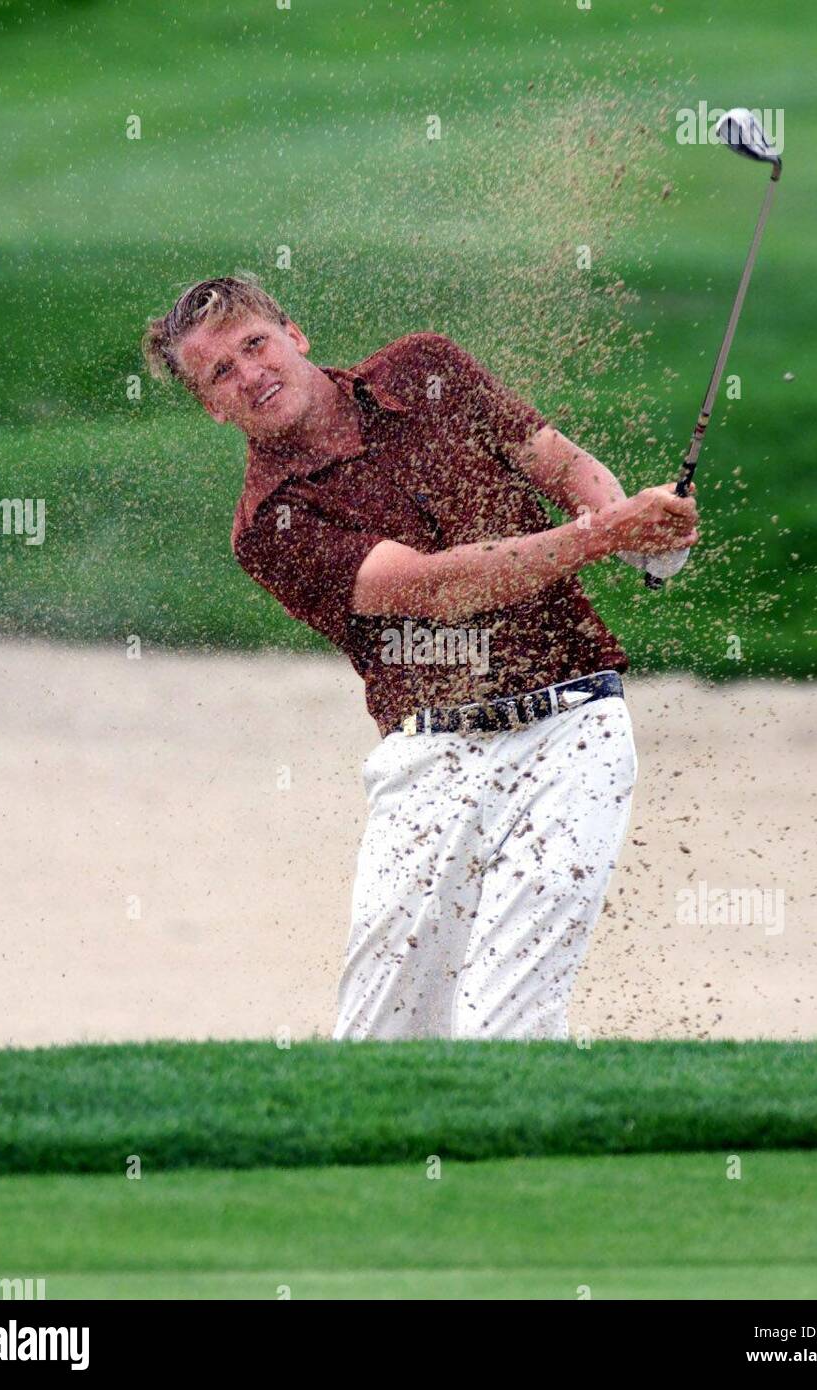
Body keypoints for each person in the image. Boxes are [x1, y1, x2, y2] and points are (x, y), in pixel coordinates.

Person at [142, 272, 698, 1041]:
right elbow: (436, 589)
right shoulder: (269, 524)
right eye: (221, 373)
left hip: (573, 729)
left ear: (292, 334)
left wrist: (634, 523)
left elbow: (555, 462)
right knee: (379, 1042)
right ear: (212, 407)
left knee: (505, 1027)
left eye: (254, 345)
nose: (251, 375)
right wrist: (605, 535)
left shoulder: (423, 366)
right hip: (428, 764)